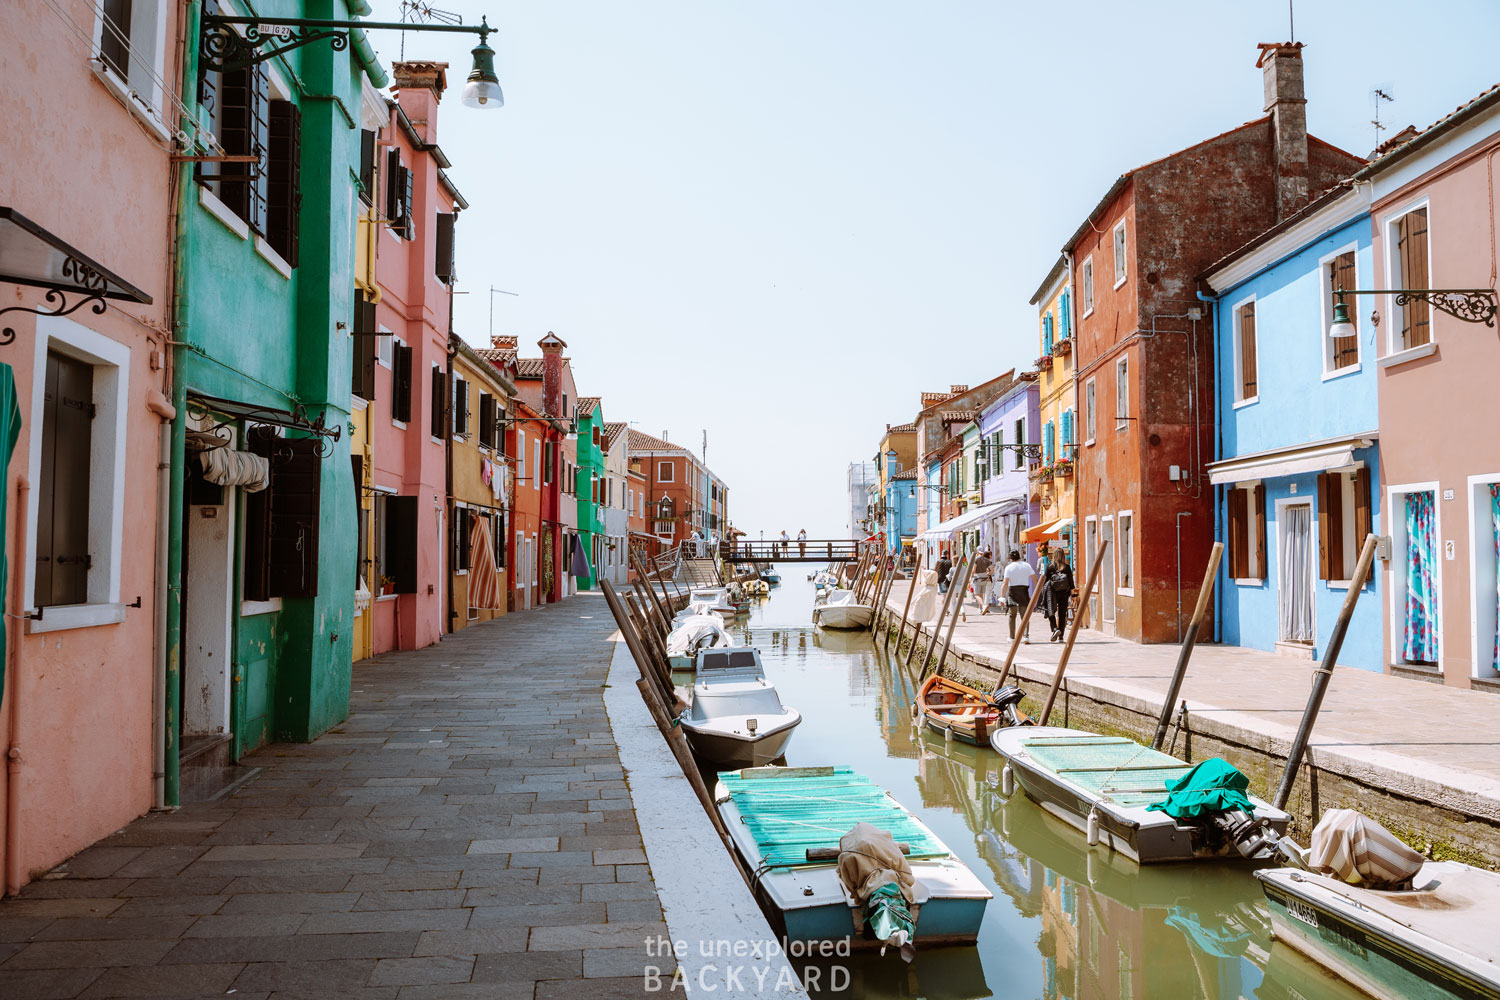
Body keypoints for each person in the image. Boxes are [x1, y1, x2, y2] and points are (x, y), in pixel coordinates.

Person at [1041, 549, 1076, 642]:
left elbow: (1046, 581)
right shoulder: (1067, 567)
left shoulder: (1050, 566)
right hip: (1064, 593)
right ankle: (1061, 636)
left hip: (1052, 593)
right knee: (1062, 614)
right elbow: (1071, 582)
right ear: (1063, 556)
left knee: (1050, 611)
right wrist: (1073, 595)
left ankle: (1055, 629)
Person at [1002, 550, 1036, 640]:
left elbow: (1005, 583)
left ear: (1010, 558)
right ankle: (1025, 636)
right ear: (1019, 556)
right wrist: (1037, 591)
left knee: (1012, 615)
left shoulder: (1009, 567)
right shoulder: (1026, 565)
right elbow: (1035, 579)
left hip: (1012, 592)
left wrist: (1002, 597)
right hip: (1024, 591)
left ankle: (1012, 637)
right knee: (1024, 615)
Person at [971, 548, 994, 614]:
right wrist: (989, 574)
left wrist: (972, 576)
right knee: (981, 594)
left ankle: (984, 606)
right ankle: (980, 609)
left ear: (977, 551)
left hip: (977, 578)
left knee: (976, 595)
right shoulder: (987, 560)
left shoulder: (976, 559)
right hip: (985, 578)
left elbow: (974, 569)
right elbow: (991, 569)